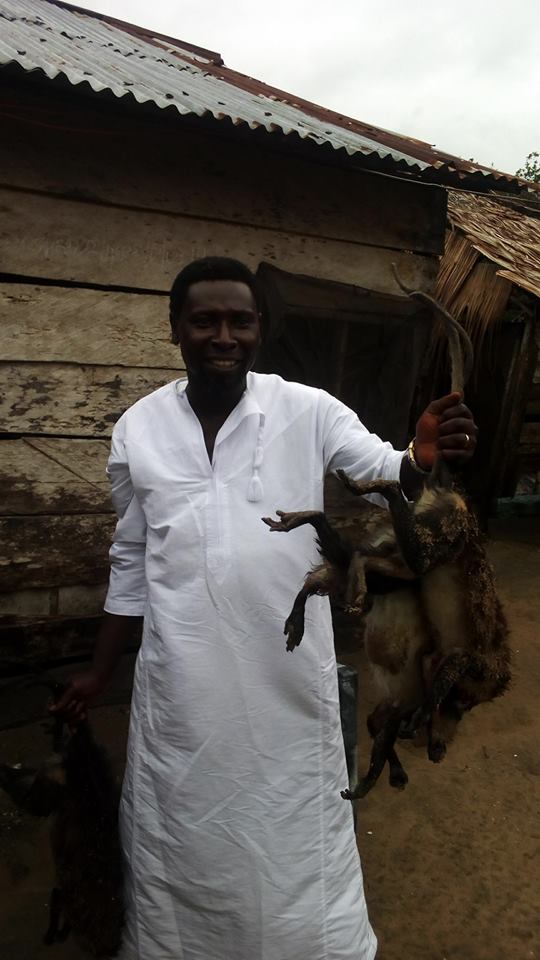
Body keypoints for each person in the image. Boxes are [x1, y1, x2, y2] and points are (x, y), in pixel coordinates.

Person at [54, 257, 477, 960]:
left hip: (285, 688)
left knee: (290, 840)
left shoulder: (307, 411)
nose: (224, 334)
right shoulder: (138, 430)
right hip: (181, 689)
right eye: (205, 320)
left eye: (240, 321)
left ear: (260, 329)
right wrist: (99, 675)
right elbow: (131, 562)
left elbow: (381, 472)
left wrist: (418, 457)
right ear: (175, 330)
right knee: (181, 837)